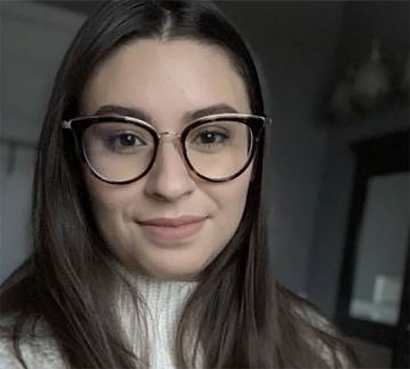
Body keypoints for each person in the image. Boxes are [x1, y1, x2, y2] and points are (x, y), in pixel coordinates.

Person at [0, 1, 358, 368]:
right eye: (126, 139)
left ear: (255, 156)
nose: (170, 185)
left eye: (210, 136)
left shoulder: (318, 351)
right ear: (75, 161)